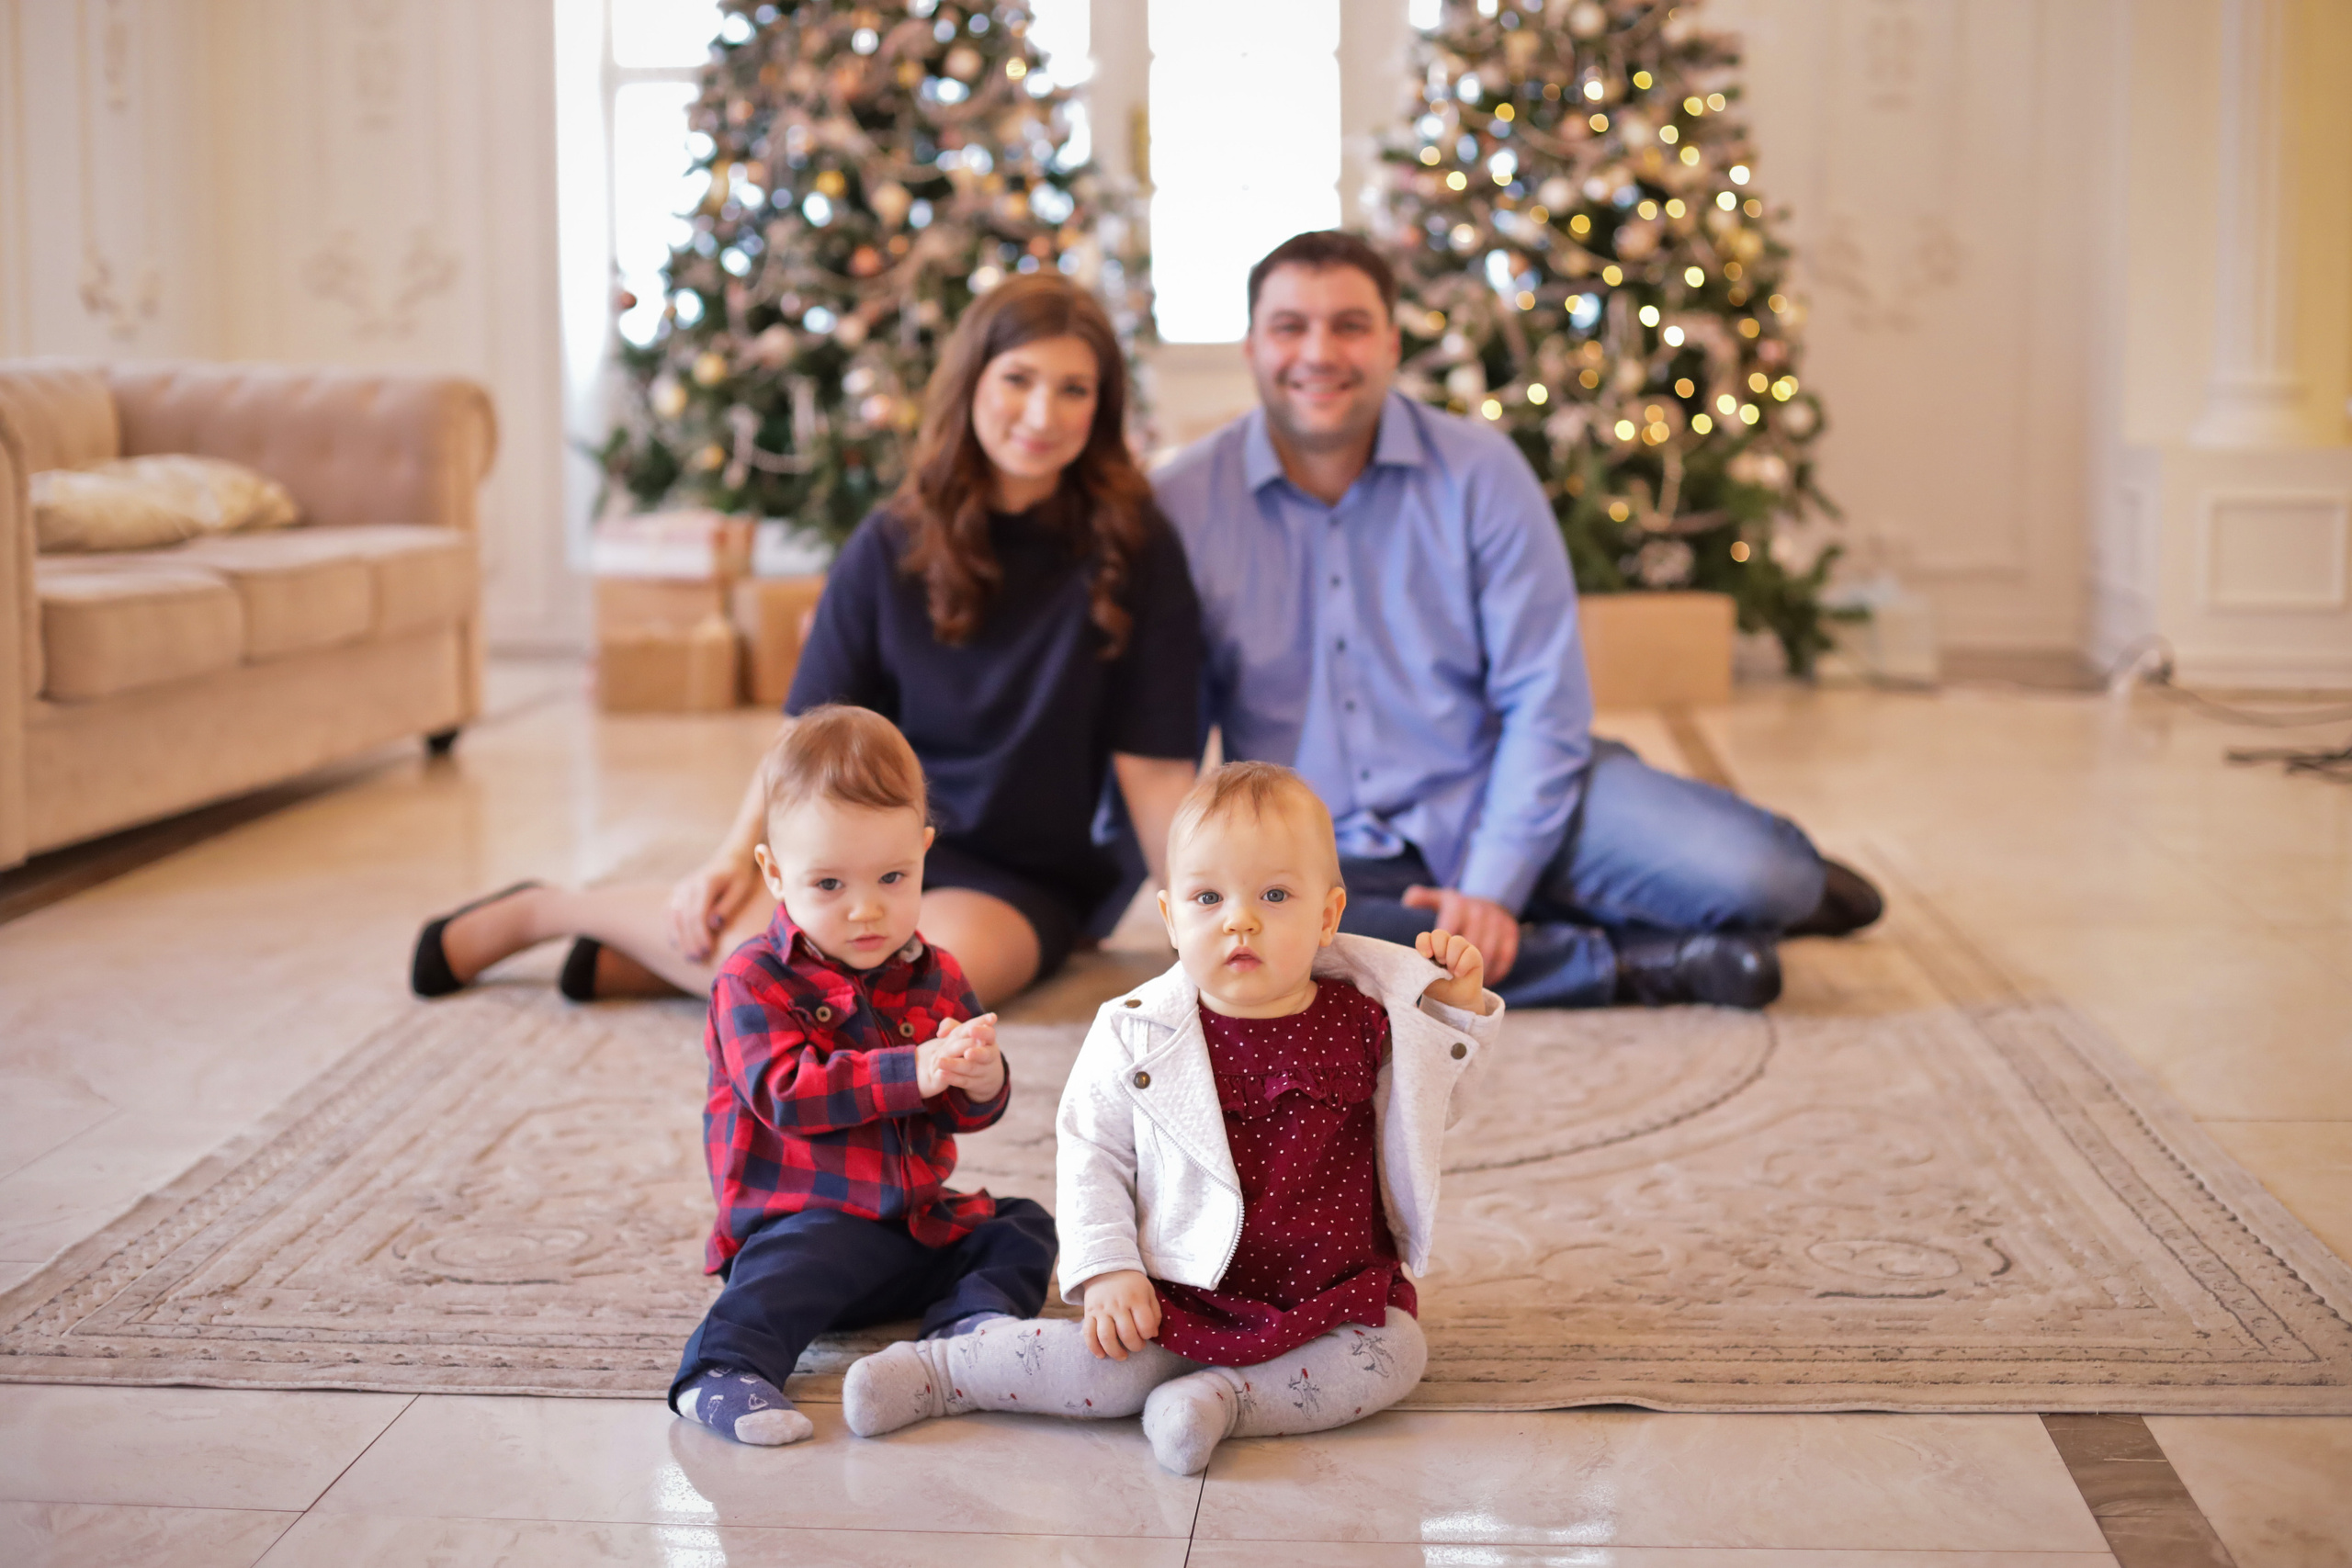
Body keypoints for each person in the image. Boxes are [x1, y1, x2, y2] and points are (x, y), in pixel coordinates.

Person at [409, 275, 1204, 1008]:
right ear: (972, 385)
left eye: (1075, 390)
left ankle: (653, 960)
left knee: (908, 999)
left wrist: (1196, 931)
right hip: (861, 851)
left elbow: (1156, 771)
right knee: (800, 962)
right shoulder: (890, 542)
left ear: (1102, 408)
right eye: (1018, 380)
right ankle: (545, 908)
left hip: (1022, 875)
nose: (1043, 414)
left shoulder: (1139, 547)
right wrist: (732, 854)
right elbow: (805, 733)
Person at [1149, 231, 1883, 1011]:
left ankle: (1730, 892)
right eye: (1291, 326)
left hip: (1502, 793)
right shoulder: (1184, 501)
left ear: (1393, 342)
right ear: (1252, 346)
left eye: (1351, 325)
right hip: (1315, 848)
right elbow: (1161, 732)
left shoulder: (1481, 471)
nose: (1319, 351)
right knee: (1284, 952)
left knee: (1765, 875)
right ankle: (1645, 960)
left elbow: (1545, 697)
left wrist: (1493, 882)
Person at [840, 761, 1499, 1476]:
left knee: (1395, 1354)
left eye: (1274, 894)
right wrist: (1111, 1269)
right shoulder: (1136, 1031)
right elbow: (1093, 1152)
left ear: (1328, 916)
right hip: (1179, 1286)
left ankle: (1225, 1400)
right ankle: (946, 1369)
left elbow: (1434, 1111)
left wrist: (1451, 1009)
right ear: (1171, 919)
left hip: (1330, 1293)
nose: (1239, 918)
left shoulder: (1366, 1020)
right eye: (1208, 896)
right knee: (1109, 1370)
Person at [669, 706, 1058, 1448]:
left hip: (912, 1223)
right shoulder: (752, 979)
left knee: (1022, 1225)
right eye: (829, 883)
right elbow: (789, 1092)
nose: (867, 908)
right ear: (775, 874)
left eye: (892, 875)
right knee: (792, 1265)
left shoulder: (934, 970)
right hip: (805, 1221)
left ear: (923, 851)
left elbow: (963, 1115)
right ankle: (718, 1369)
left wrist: (982, 1079)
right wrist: (911, 1071)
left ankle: (964, 1339)